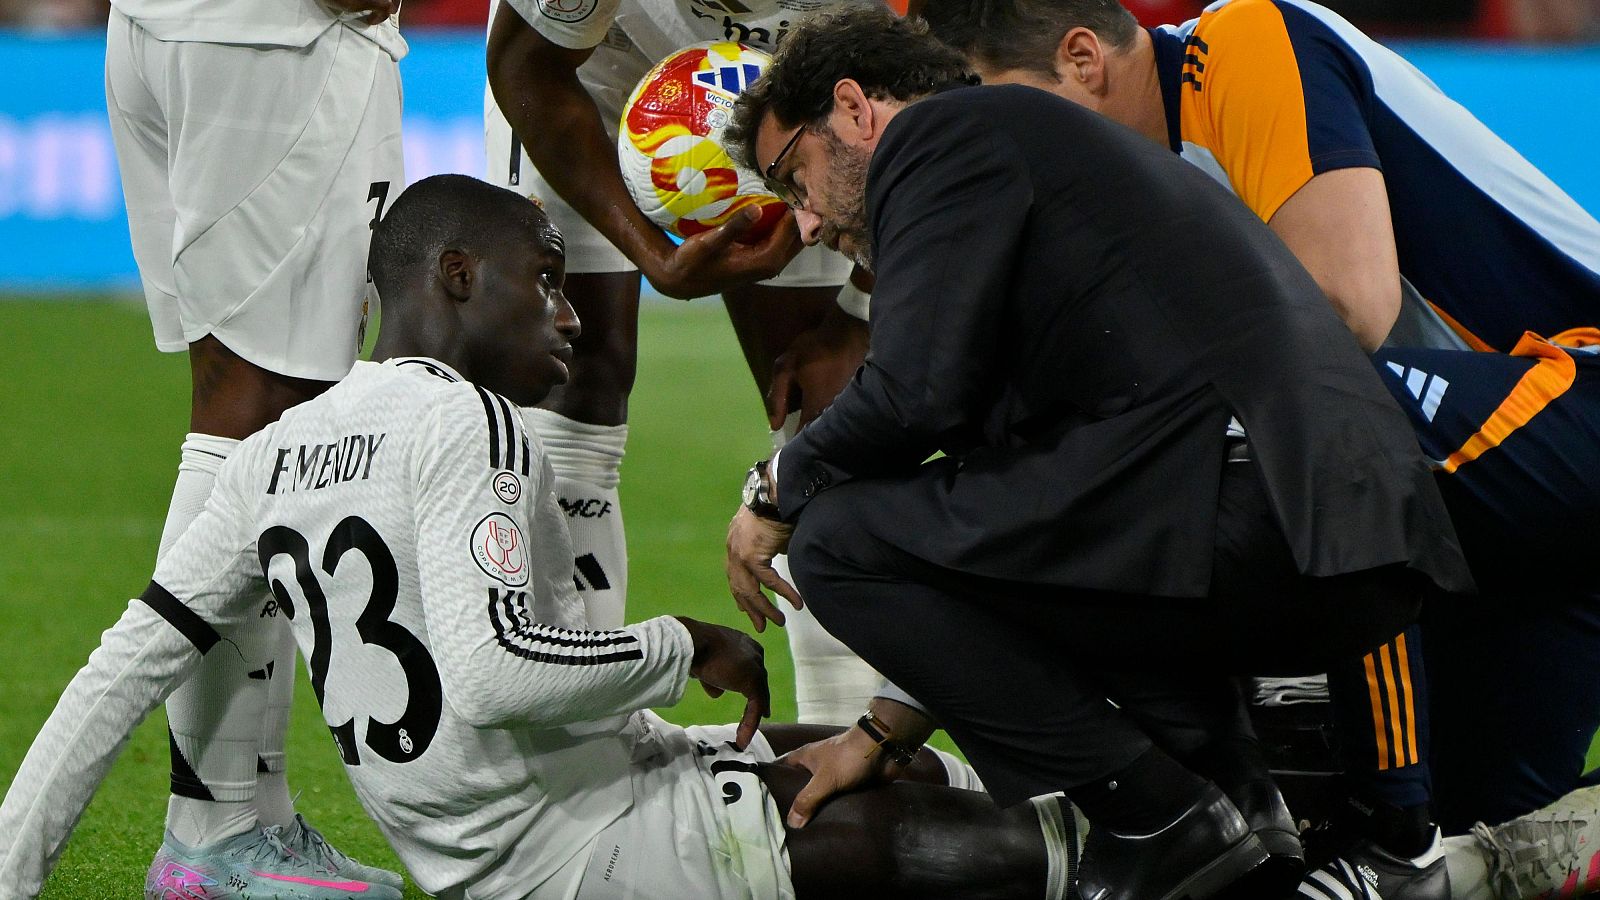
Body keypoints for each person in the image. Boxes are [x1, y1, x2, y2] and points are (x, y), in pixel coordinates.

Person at [0, 175, 1084, 900]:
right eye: (549, 281)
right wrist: (681, 645)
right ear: (458, 275)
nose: (570, 315)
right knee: (1028, 850)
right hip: (584, 847)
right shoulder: (467, 422)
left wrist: (10, 871)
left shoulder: (272, 458)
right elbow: (495, 672)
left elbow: (118, 674)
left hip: (510, 832)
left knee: (894, 764)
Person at [721, 8, 1477, 900]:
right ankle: (1240, 815)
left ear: (854, 109)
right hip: (1331, 536)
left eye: (794, 177)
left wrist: (776, 487)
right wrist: (884, 730)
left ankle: (1156, 818)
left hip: (1253, 506)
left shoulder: (940, 134)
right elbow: (996, 539)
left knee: (839, 540)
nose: (806, 223)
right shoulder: (1032, 162)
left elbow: (914, 394)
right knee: (1029, 542)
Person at [915, 0, 1600, 887]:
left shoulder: (1244, 41)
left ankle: (1391, 836)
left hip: (1574, 393)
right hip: (1512, 497)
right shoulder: (1141, 189)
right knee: (1495, 846)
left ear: (1083, 59)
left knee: (1293, 436)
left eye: (994, 101)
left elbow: (1351, 308)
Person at [483, 0, 887, 726]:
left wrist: (858, 307)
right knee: (572, 379)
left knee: (823, 403)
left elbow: (935, 88)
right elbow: (527, 63)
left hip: (802, 83)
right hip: (591, 73)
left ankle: (848, 733)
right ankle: (574, 725)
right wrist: (652, 257)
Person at [104, 0, 412, 892]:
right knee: (254, 418)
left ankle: (254, 814)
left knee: (265, 416)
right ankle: (209, 831)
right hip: (276, 40)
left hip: (188, 30)